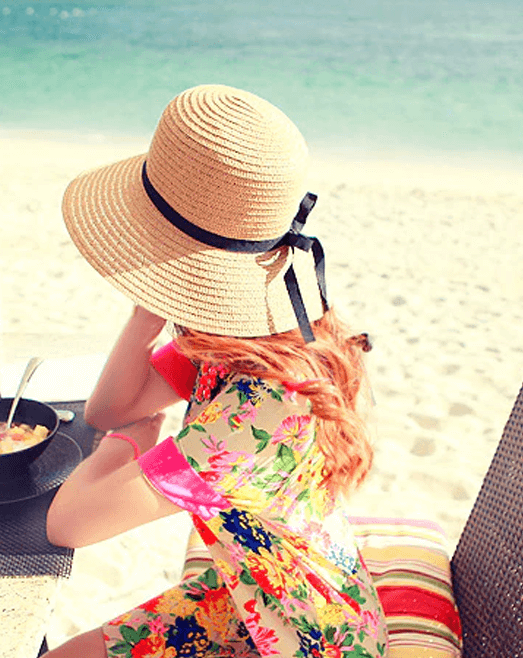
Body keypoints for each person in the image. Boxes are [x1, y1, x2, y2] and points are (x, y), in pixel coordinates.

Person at [45, 84, 387, 657]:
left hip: (305, 639)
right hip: (258, 596)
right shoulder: (241, 338)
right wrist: (146, 311)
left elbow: (68, 525)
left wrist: (127, 446)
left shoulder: (260, 406)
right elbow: (108, 408)